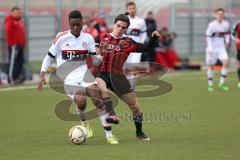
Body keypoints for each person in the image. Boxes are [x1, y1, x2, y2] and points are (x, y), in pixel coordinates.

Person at [37, 10, 119, 144]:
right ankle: (84, 123)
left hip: (85, 75)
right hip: (68, 78)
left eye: (78, 24)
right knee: (81, 101)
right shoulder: (61, 37)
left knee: (98, 100)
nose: (75, 27)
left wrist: (101, 54)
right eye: (72, 25)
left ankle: (109, 135)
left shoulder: (88, 38)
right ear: (69, 24)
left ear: (82, 22)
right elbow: (48, 58)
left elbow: (96, 61)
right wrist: (42, 75)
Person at [94, 14, 161, 141]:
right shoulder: (103, 36)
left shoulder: (128, 42)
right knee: (100, 84)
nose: (119, 29)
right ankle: (112, 114)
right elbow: (92, 42)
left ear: (126, 29)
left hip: (118, 77)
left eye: (123, 28)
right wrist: (96, 47)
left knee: (136, 108)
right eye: (118, 26)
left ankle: (139, 133)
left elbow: (146, 48)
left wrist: (153, 39)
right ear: (114, 24)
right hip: (102, 74)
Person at [206, 8, 230, 92]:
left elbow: (227, 34)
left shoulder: (226, 24)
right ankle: (210, 85)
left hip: (221, 48)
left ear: (223, 15)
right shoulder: (212, 25)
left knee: (226, 63)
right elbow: (208, 38)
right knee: (211, 66)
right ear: (215, 15)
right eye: (218, 14)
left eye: (221, 14)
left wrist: (227, 42)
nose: (220, 15)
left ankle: (222, 83)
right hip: (212, 49)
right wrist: (210, 49)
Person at [124, 2, 148, 83]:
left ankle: (132, 85)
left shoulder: (140, 21)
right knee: (125, 67)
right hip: (125, 47)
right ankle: (125, 84)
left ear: (136, 9)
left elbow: (143, 33)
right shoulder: (124, 20)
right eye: (130, 9)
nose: (132, 10)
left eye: (133, 8)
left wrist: (141, 43)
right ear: (127, 10)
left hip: (136, 48)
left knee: (134, 66)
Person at [5, 6, 26, 84]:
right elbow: (8, 33)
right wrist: (12, 44)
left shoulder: (20, 21)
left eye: (19, 12)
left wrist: (23, 43)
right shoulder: (10, 20)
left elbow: (22, 33)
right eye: (16, 13)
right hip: (14, 45)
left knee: (20, 61)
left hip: (20, 45)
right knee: (13, 62)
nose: (18, 14)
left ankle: (16, 77)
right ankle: (11, 78)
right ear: (12, 12)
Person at [231, 20, 240, 88]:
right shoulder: (237, 23)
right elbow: (232, 34)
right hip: (239, 47)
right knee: (239, 65)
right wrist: (236, 39)